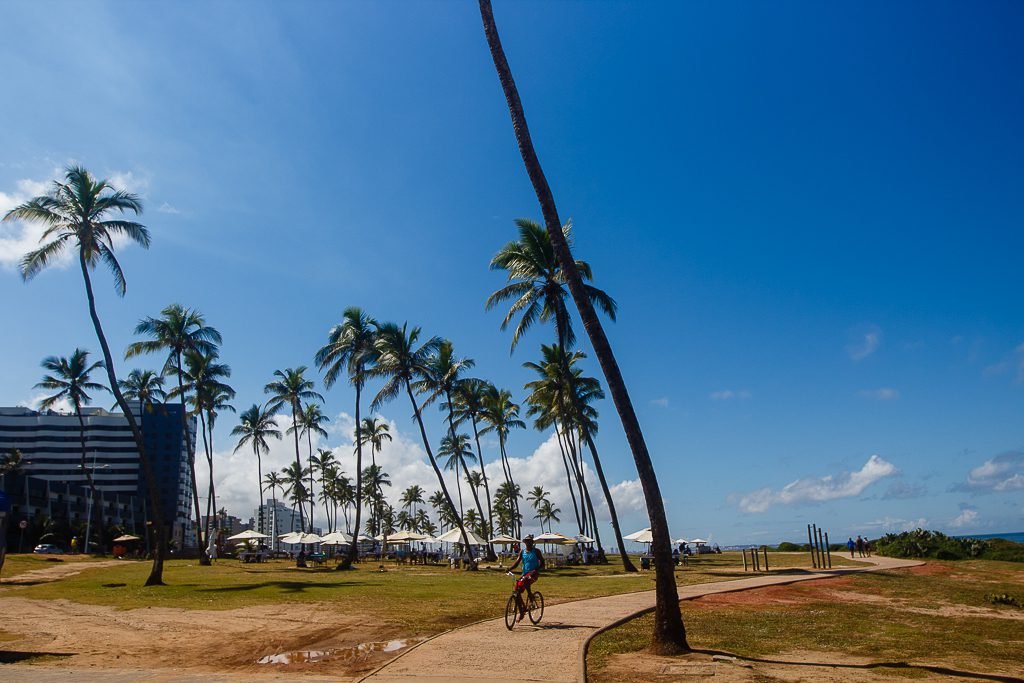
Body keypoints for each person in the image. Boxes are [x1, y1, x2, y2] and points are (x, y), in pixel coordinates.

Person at [507, 534, 545, 621]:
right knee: (517, 590)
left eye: (530, 541)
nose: (528, 543)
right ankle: (522, 611)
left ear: (532, 542)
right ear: (525, 542)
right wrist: (509, 568)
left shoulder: (536, 551)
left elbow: (543, 562)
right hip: (524, 574)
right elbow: (517, 562)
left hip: (534, 574)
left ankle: (531, 597)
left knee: (526, 581)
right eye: (526, 541)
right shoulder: (522, 552)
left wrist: (537, 569)